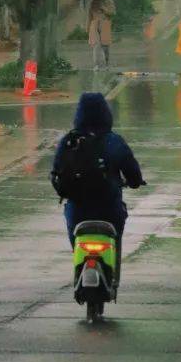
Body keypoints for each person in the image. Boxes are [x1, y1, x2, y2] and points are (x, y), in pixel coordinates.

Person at [51, 92, 144, 280]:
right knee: (116, 234)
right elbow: (132, 172)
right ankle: (113, 277)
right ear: (106, 114)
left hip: (78, 211)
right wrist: (134, 182)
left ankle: (79, 269)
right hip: (109, 210)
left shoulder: (69, 141)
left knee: (75, 235)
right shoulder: (114, 141)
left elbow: (56, 171)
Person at [86, 0, 114, 72]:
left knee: (106, 48)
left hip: (105, 24)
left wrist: (104, 9)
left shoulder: (108, 2)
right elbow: (89, 16)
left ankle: (107, 64)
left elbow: (112, 12)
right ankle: (96, 65)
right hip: (94, 25)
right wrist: (87, 27)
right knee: (96, 46)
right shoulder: (93, 3)